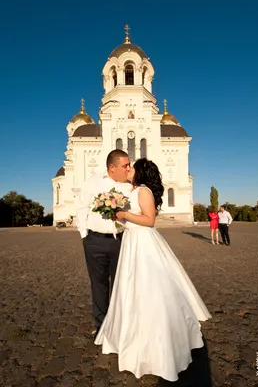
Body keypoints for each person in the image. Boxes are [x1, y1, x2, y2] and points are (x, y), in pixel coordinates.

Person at [95, 158, 211, 382]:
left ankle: (157, 342)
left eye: (132, 167)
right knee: (130, 287)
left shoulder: (144, 191)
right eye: (126, 166)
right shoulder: (135, 190)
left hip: (143, 243)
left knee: (149, 286)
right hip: (132, 241)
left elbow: (149, 220)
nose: (128, 169)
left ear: (140, 172)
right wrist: (118, 216)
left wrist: (124, 215)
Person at [75, 149, 132, 337]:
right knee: (98, 284)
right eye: (125, 165)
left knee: (120, 284)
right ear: (112, 167)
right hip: (95, 241)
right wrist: (85, 235)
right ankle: (101, 327)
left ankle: (118, 327)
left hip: (120, 241)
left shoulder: (129, 185)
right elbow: (82, 206)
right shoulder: (94, 181)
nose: (128, 168)